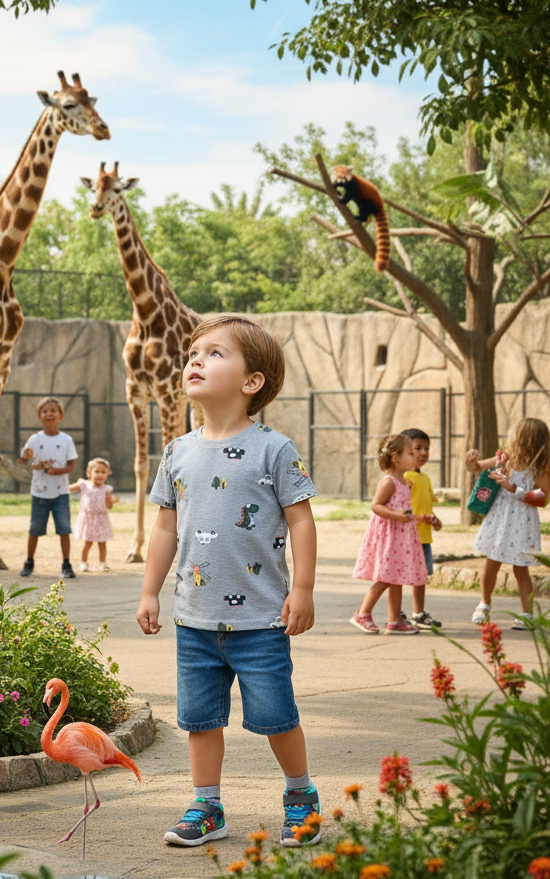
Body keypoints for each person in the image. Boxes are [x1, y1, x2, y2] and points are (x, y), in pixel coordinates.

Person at [137, 313, 321, 849]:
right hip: (193, 618)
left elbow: (301, 519)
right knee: (200, 719)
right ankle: (207, 805)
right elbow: (165, 526)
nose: (196, 359)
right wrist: (150, 590)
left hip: (261, 618)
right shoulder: (177, 451)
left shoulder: (274, 449)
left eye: (214, 353)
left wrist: (302, 589)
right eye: (194, 352)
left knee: (275, 715)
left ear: (251, 382)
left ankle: (300, 796)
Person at [467, 416, 550, 628]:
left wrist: (512, 488)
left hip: (522, 523)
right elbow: (476, 468)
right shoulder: (504, 460)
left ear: (525, 440)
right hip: (500, 520)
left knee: (520, 568)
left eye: (516, 437)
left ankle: (527, 614)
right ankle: (484, 605)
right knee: (491, 563)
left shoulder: (539, 467)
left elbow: (542, 498)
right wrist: (471, 462)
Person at [351, 434, 431, 635]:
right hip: (389, 537)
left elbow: (405, 509)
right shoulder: (389, 483)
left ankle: (394, 620)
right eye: (411, 453)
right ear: (396, 458)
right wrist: (396, 515)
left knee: (396, 577)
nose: (415, 457)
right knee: (386, 577)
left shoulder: (405, 482)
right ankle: (362, 613)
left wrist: (420, 518)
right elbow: (376, 506)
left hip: (401, 537)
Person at [18, 396, 77, 580]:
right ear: (39, 416)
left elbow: (71, 466)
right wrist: (30, 462)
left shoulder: (66, 440)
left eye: (53, 410)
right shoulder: (34, 439)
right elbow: (23, 460)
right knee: (34, 529)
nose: (49, 414)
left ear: (60, 415)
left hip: (60, 492)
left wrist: (57, 471)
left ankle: (66, 563)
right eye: (45, 411)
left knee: (64, 529)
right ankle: (29, 562)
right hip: (39, 492)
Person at [402, 427, 444, 629]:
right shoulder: (405, 478)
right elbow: (399, 505)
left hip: (424, 537)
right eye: (417, 448)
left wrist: (434, 520)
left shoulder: (424, 478)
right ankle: (397, 613)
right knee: (398, 575)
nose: (423, 453)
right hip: (406, 537)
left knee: (420, 576)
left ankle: (418, 613)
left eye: (426, 448)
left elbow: (426, 504)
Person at [70, 457, 115, 571]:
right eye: (97, 472)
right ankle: (83, 562)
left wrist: (110, 500)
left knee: (102, 543)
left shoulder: (107, 489)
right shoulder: (85, 485)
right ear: (89, 473)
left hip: (101, 519)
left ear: (108, 474)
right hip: (89, 519)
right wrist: (77, 483)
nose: (100, 475)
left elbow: (109, 506)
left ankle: (102, 563)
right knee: (88, 542)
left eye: (103, 472)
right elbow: (69, 489)